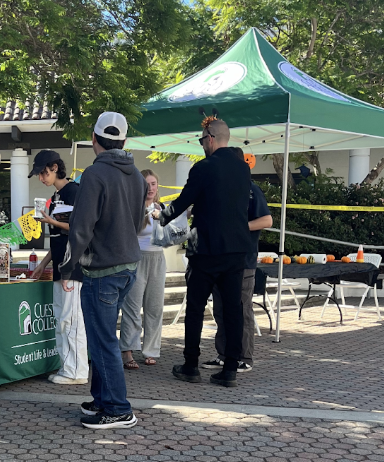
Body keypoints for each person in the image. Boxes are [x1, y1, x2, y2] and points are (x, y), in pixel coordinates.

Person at [60, 112, 147, 430]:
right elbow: (137, 223)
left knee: (102, 340)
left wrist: (68, 266)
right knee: (102, 337)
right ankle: (101, 399)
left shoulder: (93, 175)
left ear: (94, 139)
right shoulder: (136, 175)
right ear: (123, 141)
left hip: (101, 270)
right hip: (128, 265)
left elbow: (80, 229)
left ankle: (119, 409)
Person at [160, 117, 252, 388]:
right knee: (234, 308)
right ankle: (230, 369)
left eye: (202, 140)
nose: (201, 145)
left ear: (211, 137)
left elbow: (183, 201)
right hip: (236, 250)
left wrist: (160, 214)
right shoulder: (243, 169)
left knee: (196, 308)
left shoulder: (203, 168)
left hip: (206, 250)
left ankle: (191, 365)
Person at [202, 148, 272, 373]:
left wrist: (241, 227)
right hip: (220, 259)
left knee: (242, 309)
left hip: (243, 261)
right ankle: (224, 354)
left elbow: (267, 220)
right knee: (221, 309)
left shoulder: (252, 190)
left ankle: (244, 357)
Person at [28, 150, 88, 385]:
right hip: (61, 266)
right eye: (39, 175)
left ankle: (76, 371)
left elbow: (79, 229)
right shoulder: (58, 196)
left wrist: (50, 221)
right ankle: (68, 368)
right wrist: (43, 264)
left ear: (55, 167)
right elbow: (58, 236)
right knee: (62, 319)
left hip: (73, 267)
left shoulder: (74, 192)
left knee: (71, 320)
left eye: (43, 172)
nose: (41, 178)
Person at [120, 169, 168, 368]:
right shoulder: (133, 207)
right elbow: (130, 232)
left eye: (154, 183)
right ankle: (128, 351)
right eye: (147, 184)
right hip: (137, 259)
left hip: (158, 258)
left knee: (155, 307)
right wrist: (147, 214)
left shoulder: (163, 207)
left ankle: (151, 350)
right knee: (132, 307)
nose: (150, 188)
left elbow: (169, 235)